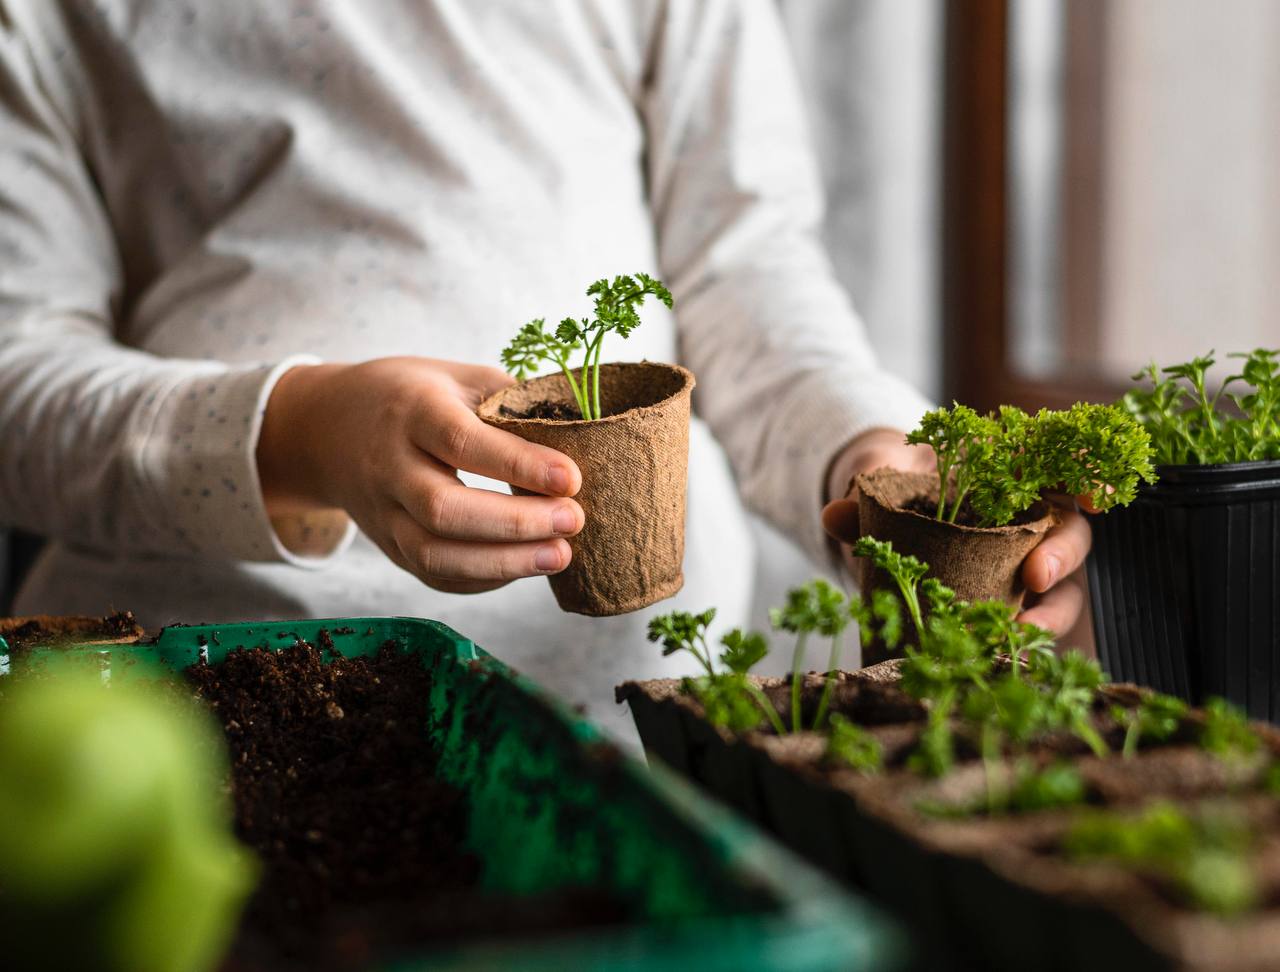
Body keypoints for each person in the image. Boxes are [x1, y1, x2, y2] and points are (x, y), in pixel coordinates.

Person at [0, 0, 1089, 742]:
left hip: (639, 711)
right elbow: (17, 380)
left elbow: (745, 271)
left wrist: (875, 461)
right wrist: (305, 431)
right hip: (194, 695)